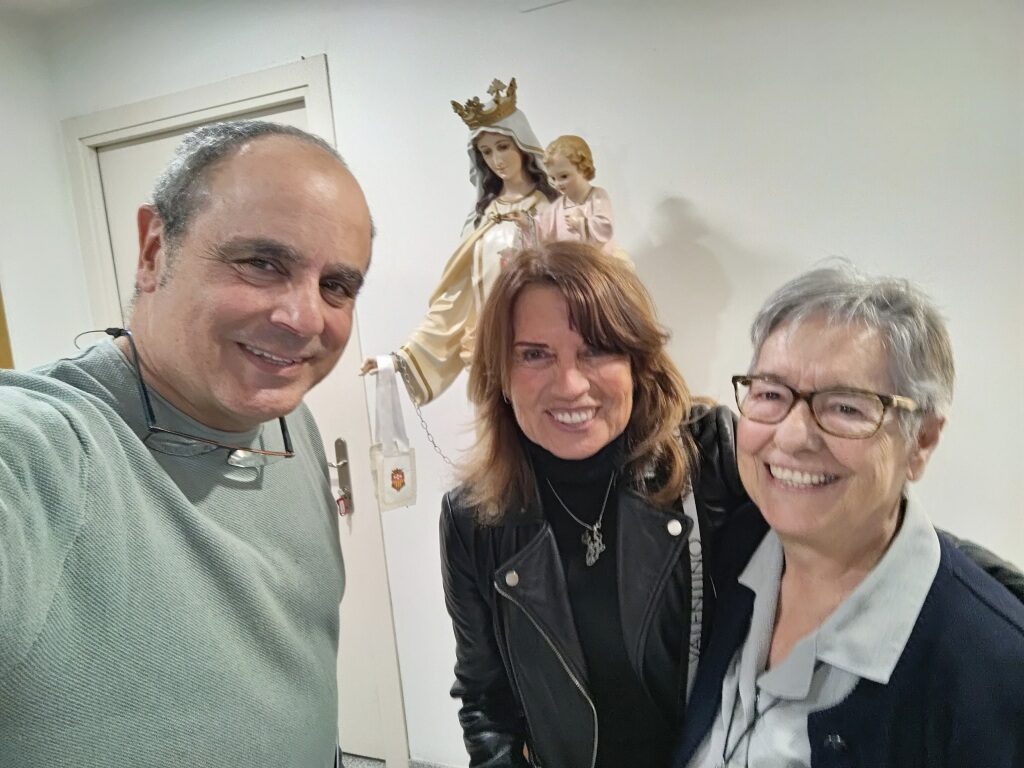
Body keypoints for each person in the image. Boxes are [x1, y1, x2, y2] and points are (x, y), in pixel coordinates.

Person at [439, 245, 1024, 768]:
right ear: (500, 373)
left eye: (597, 350)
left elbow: (857, 521)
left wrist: (998, 611)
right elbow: (484, 699)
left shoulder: (707, 459)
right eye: (534, 354)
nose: (569, 384)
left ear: (637, 362)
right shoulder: (475, 520)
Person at [0, 121, 373, 767]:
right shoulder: (40, 452)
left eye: (336, 286)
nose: (306, 318)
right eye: (262, 263)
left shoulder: (290, 423)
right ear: (153, 251)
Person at [673, 264, 1024, 768]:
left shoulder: (994, 672)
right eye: (770, 394)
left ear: (922, 441)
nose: (793, 436)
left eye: (846, 407)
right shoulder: (724, 551)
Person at [362, 78, 558, 405]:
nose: (496, 159)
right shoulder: (482, 219)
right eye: (487, 151)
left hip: (547, 357)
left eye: (503, 146)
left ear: (523, 145)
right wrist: (401, 359)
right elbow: (456, 299)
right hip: (491, 360)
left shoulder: (553, 210)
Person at [528, 134, 624, 259]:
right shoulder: (558, 206)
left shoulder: (597, 197)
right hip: (569, 264)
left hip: (596, 262)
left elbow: (604, 228)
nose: (557, 184)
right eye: (553, 178)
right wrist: (526, 223)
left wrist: (580, 223)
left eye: (564, 176)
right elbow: (542, 228)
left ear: (583, 169)